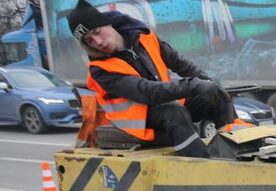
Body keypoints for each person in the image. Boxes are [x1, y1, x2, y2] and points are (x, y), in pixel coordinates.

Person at [67, 0, 239, 158]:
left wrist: (210, 83)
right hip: (136, 120)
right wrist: (195, 86)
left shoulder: (144, 37)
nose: (98, 41)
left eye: (97, 32)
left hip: (163, 104)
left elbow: (180, 64)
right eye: (89, 40)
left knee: (218, 97)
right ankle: (199, 164)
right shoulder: (100, 69)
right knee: (173, 112)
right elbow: (146, 91)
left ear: (107, 22)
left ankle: (236, 150)